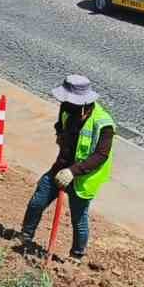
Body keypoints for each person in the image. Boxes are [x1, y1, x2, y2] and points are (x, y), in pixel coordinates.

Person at [18, 75, 115, 262]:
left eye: (70, 102)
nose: (64, 105)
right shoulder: (67, 108)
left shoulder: (104, 124)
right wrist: (60, 136)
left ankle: (76, 256)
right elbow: (59, 125)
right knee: (37, 201)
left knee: (78, 219)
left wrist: (73, 171)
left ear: (84, 104)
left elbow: (100, 156)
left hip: (83, 178)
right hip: (60, 168)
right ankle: (25, 236)